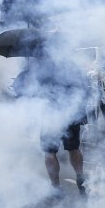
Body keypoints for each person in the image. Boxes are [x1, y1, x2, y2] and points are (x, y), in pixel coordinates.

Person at [31, 59, 90, 196]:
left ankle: (56, 187)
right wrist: (82, 114)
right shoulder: (70, 61)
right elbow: (83, 89)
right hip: (72, 111)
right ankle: (80, 177)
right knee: (74, 148)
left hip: (50, 115)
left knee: (49, 152)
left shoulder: (42, 67)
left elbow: (34, 91)